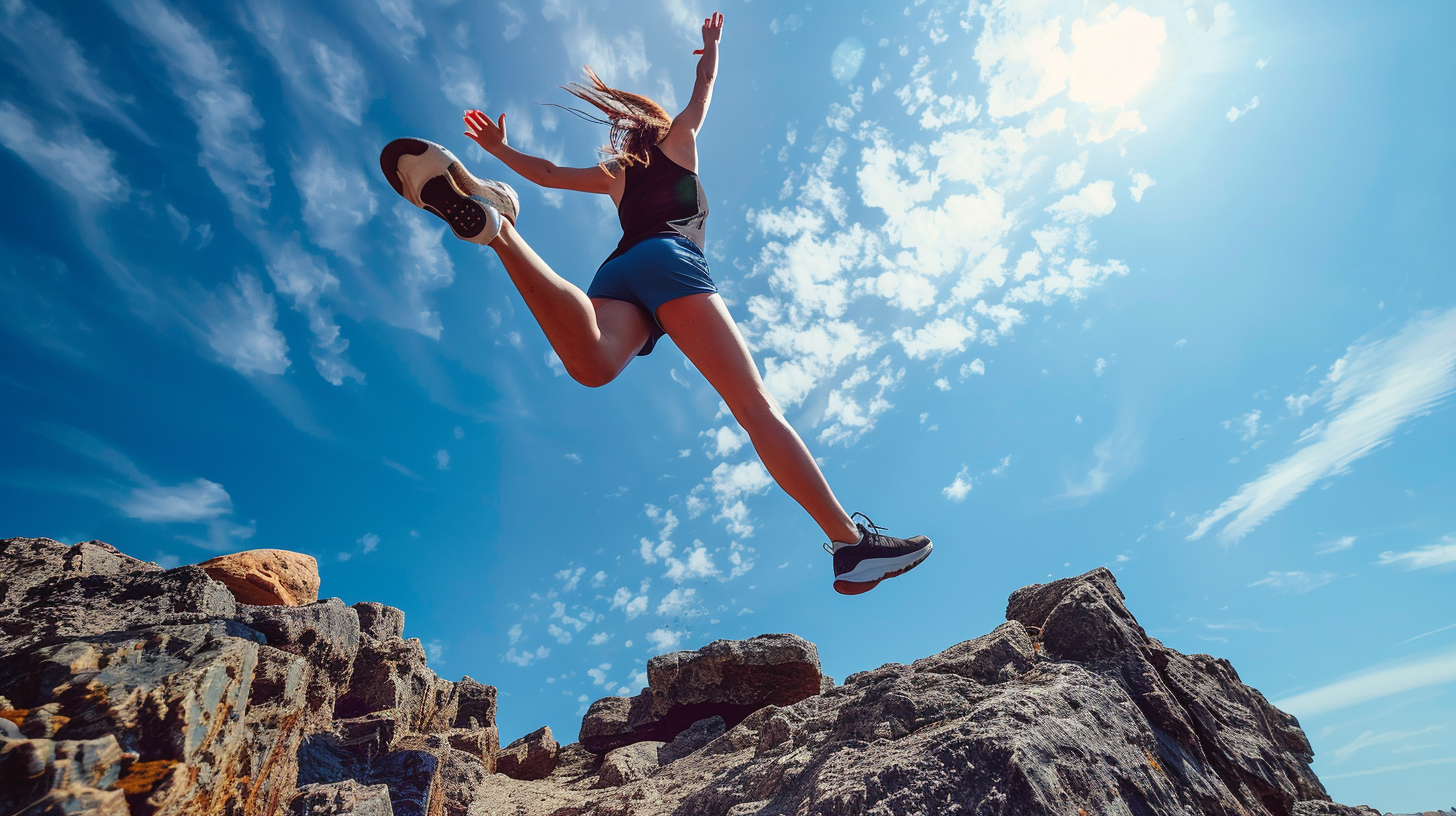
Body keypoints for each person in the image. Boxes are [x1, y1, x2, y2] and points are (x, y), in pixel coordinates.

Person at [379, 12, 930, 594]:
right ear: (660, 125)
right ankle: (850, 542)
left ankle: (498, 227)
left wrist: (500, 148)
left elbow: (544, 173)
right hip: (670, 260)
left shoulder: (617, 173)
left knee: (592, 362)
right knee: (755, 406)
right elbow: (704, 91)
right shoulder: (679, 143)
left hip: (616, 273)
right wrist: (713, 47)